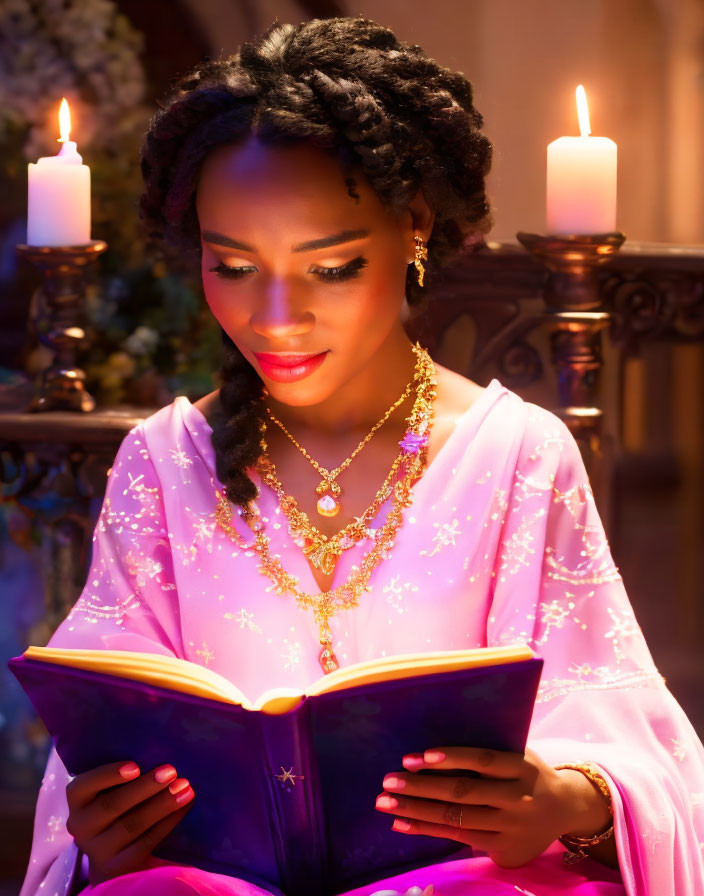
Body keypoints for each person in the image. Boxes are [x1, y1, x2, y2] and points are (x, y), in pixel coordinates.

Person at [17, 15, 704, 896]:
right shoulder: (163, 462)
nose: (274, 316)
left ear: (414, 225)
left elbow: (632, 740)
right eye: (231, 266)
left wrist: (565, 800)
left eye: (330, 268)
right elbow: (92, 748)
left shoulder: (518, 454)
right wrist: (101, 838)